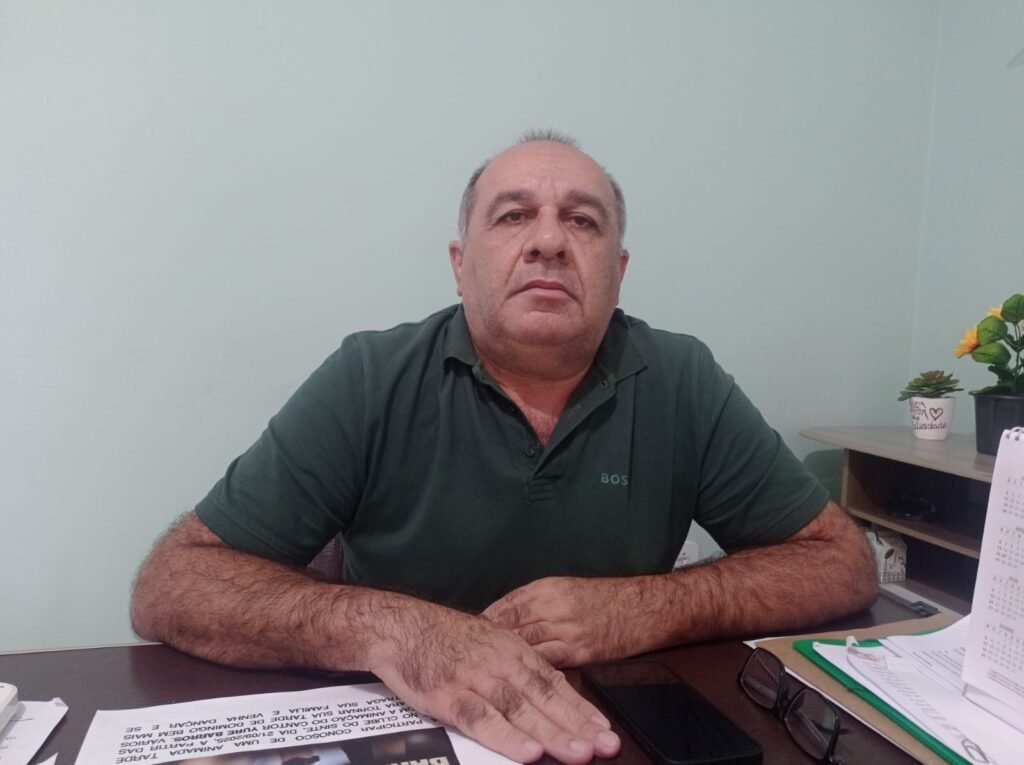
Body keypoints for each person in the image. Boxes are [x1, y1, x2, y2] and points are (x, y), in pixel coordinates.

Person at [132, 131, 877, 765]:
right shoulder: (369, 376)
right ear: (461, 264)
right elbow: (173, 582)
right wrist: (399, 631)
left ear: (618, 272)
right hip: (407, 729)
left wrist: (645, 608)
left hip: (605, 733)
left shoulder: (682, 378)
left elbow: (839, 561)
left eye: (582, 221)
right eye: (514, 215)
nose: (548, 241)